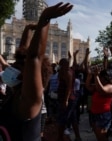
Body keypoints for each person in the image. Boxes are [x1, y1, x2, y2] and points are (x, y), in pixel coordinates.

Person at [0, 2, 72, 141]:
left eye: (15, 66)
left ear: (27, 75)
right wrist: (27, 30)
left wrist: (44, 19)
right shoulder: (14, 92)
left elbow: (34, 58)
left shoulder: (30, 100)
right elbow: (24, 54)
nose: (11, 67)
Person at [86, 53, 112, 141]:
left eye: (100, 78)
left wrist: (96, 76)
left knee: (102, 137)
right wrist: (90, 76)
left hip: (103, 115)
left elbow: (102, 90)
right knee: (99, 137)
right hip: (95, 113)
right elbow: (88, 87)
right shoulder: (98, 85)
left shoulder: (110, 86)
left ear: (105, 78)